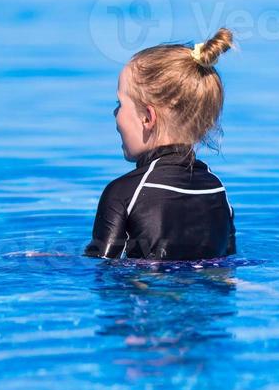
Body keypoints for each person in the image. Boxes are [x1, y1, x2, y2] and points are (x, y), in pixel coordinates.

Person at [85, 28, 237, 261]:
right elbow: (227, 264)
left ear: (147, 118)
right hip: (206, 293)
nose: (115, 113)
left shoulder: (123, 192)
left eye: (120, 103)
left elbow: (101, 267)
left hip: (148, 291)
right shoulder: (216, 189)